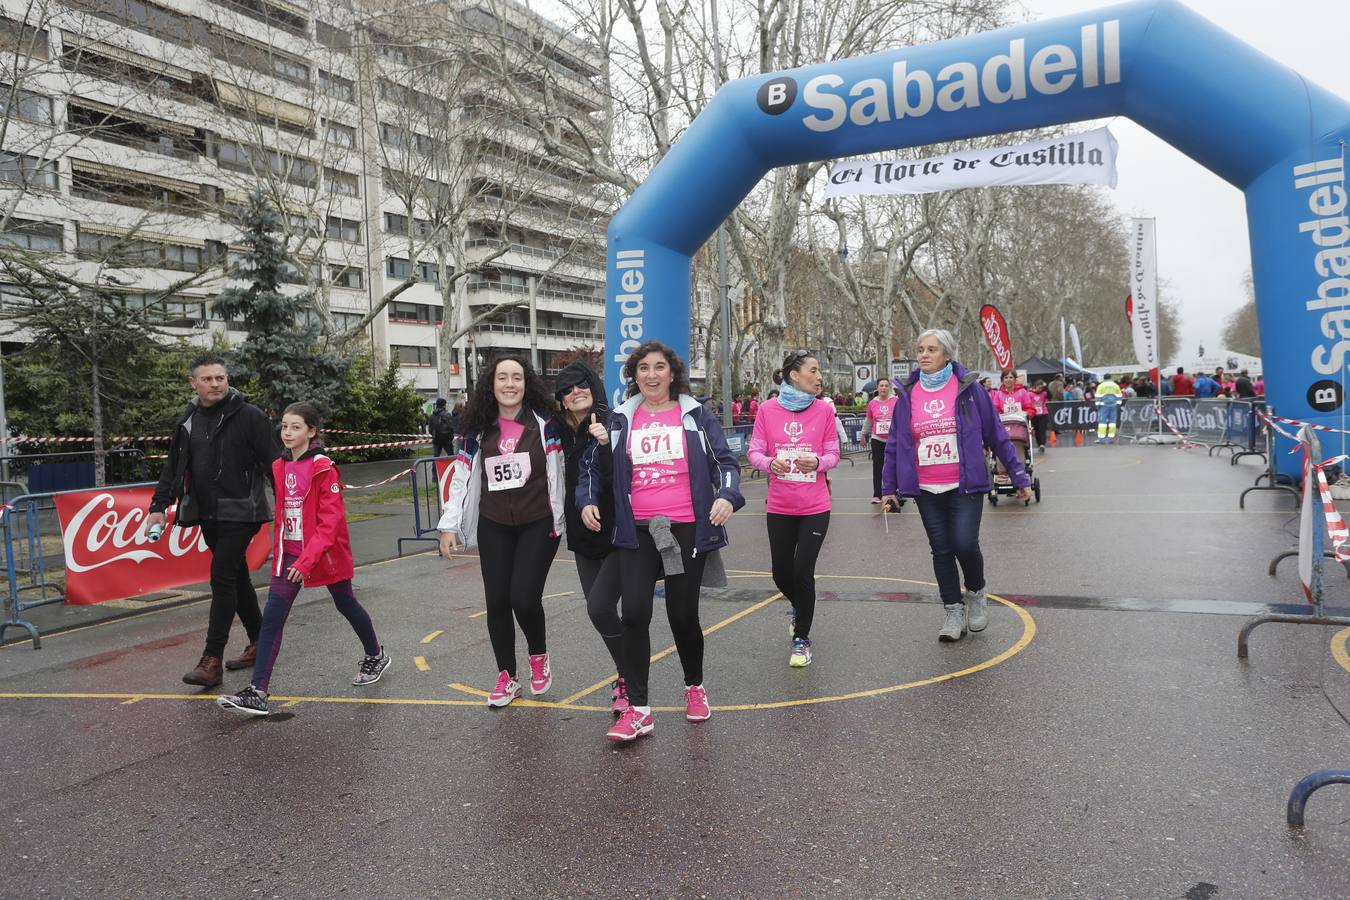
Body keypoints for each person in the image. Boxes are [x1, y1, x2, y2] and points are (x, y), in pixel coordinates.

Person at [579, 340, 744, 742]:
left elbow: (726, 463)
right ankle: (639, 709)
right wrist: (586, 500)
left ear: (673, 373)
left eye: (659, 367)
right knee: (634, 614)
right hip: (636, 530)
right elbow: (591, 468)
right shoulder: (619, 419)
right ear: (634, 376)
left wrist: (726, 496)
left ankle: (694, 686)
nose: (651, 375)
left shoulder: (696, 415)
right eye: (643, 369)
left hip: (686, 528)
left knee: (682, 616)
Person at [217, 403, 389, 716]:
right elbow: (285, 515)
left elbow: (330, 522)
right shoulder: (281, 466)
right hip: (290, 555)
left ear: (311, 432)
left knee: (345, 602)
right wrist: (281, 552)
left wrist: (307, 560)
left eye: (295, 427)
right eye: (284, 426)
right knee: (272, 618)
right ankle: (258, 692)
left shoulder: (323, 467)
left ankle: (375, 654)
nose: (287, 433)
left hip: (323, 556)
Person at [881, 329, 1030, 643]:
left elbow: (997, 436)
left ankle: (976, 593)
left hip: (964, 484)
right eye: (920, 349)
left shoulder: (970, 389)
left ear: (947, 355)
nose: (923, 354)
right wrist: (888, 488)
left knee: (964, 543)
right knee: (941, 550)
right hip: (925, 488)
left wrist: (1019, 477)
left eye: (931, 349)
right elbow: (895, 444)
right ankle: (953, 610)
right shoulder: (907, 393)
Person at [438, 354, 566, 708]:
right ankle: (507, 676)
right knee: (497, 600)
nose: (510, 384)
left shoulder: (546, 424)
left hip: (538, 522)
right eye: (502, 378)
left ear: (527, 383)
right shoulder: (476, 429)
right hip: (494, 523)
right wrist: (449, 524)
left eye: (517, 378)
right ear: (490, 385)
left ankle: (538, 655)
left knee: (523, 598)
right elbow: (462, 478)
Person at [146, 354, 278, 688]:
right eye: (207, 379)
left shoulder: (249, 416)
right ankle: (261, 640)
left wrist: (291, 509)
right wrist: (159, 506)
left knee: (221, 577)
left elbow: (273, 463)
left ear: (227, 379)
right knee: (236, 575)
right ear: (194, 383)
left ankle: (211, 660)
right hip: (206, 511)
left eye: (220, 377)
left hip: (243, 510)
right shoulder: (188, 419)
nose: (216, 384)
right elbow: (173, 467)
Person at [748, 350, 840, 668]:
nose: (819, 377)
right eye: (813, 370)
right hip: (780, 506)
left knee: (803, 572)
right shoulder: (767, 410)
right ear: (794, 376)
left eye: (820, 371)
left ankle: (801, 638)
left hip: (815, 505)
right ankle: (801, 609)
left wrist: (817, 462)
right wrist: (770, 463)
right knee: (780, 574)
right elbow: (754, 452)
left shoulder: (824, 411)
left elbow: (833, 453)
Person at [554, 358, 628, 715]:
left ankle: (629, 680)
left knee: (604, 607)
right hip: (582, 535)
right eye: (566, 389)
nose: (575, 392)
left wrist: (608, 443)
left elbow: (627, 470)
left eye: (581, 384)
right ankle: (628, 675)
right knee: (600, 613)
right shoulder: (557, 429)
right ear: (561, 399)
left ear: (593, 385)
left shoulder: (613, 420)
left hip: (618, 532)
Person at [865, 378, 898, 503]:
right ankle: (877, 494)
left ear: (889, 387)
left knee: (894, 465)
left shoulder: (896, 401)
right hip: (877, 439)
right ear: (877, 388)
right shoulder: (872, 403)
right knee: (877, 466)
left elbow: (901, 418)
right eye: (881, 385)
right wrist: (863, 435)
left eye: (886, 385)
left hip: (893, 439)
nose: (883, 388)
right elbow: (868, 421)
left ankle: (894, 491)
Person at [1094, 374, 1124, 443]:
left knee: (1102, 423)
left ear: (1104, 378)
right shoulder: (1115, 385)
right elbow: (1119, 396)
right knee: (1112, 423)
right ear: (1110, 378)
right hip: (1113, 406)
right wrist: (1118, 405)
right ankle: (1111, 439)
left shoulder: (1101, 386)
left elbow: (1098, 397)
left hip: (1103, 406)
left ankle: (1101, 439)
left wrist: (1097, 406)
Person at [1028, 379, 1050, 451]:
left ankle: (1042, 444)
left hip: (1043, 414)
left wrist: (1046, 387)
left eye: (1041, 388)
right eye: (1038, 387)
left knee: (1042, 429)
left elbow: (1050, 395)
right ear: (1035, 386)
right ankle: (1039, 444)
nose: (1040, 389)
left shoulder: (1044, 393)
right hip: (1035, 415)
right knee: (1037, 430)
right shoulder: (1030, 394)